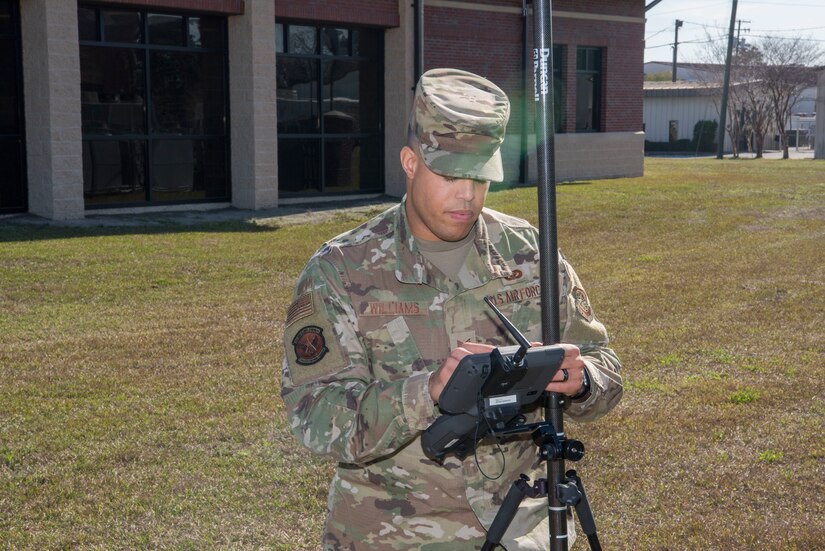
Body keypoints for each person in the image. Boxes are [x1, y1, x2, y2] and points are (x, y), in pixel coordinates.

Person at [280, 68, 623, 550]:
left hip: (519, 529)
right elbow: (315, 416)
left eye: (481, 175)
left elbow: (605, 364)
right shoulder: (342, 269)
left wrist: (583, 377)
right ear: (410, 162)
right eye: (450, 174)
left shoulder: (530, 254)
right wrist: (427, 393)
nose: (467, 195)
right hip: (392, 533)